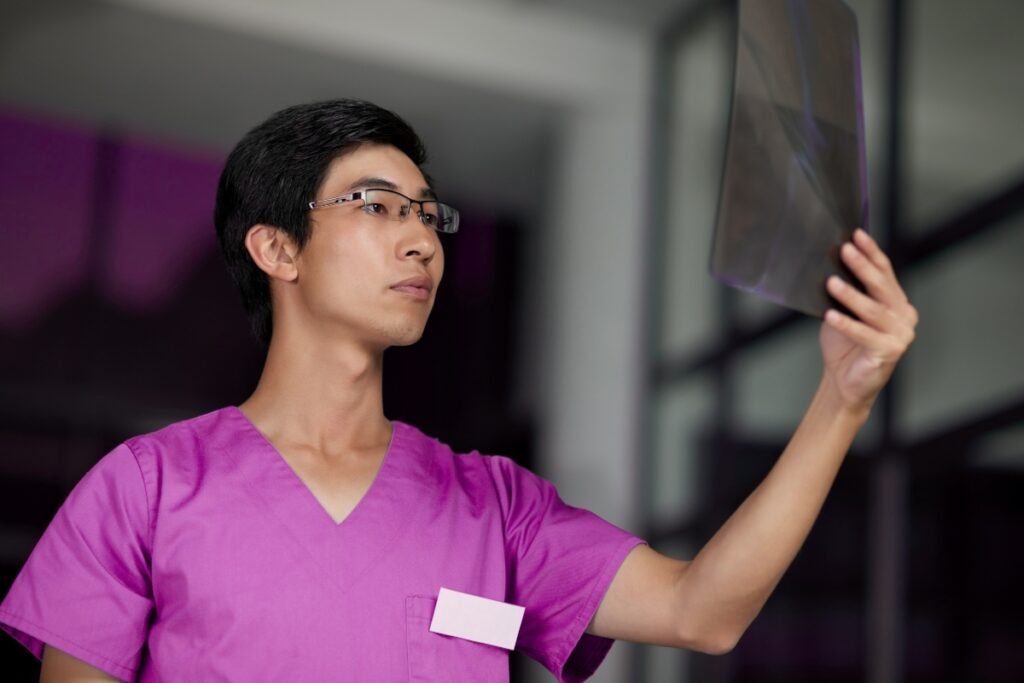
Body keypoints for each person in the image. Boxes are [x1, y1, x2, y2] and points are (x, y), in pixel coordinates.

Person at [0, 99, 917, 682]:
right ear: (276, 247)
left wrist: (842, 396)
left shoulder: (494, 507)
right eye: (376, 206)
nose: (421, 240)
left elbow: (702, 612)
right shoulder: (146, 489)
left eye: (428, 212)